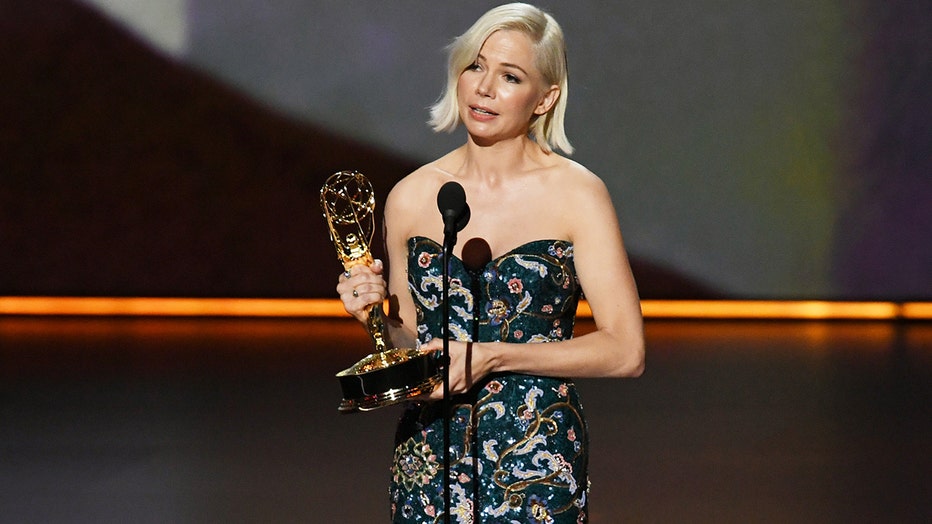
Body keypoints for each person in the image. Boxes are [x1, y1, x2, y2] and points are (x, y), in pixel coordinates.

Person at [337, 3, 644, 522]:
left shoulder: (578, 196)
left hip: (536, 459)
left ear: (544, 98)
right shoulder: (411, 198)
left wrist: (494, 356)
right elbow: (415, 342)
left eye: (510, 76)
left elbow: (625, 350)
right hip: (431, 457)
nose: (483, 87)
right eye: (475, 66)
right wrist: (371, 318)